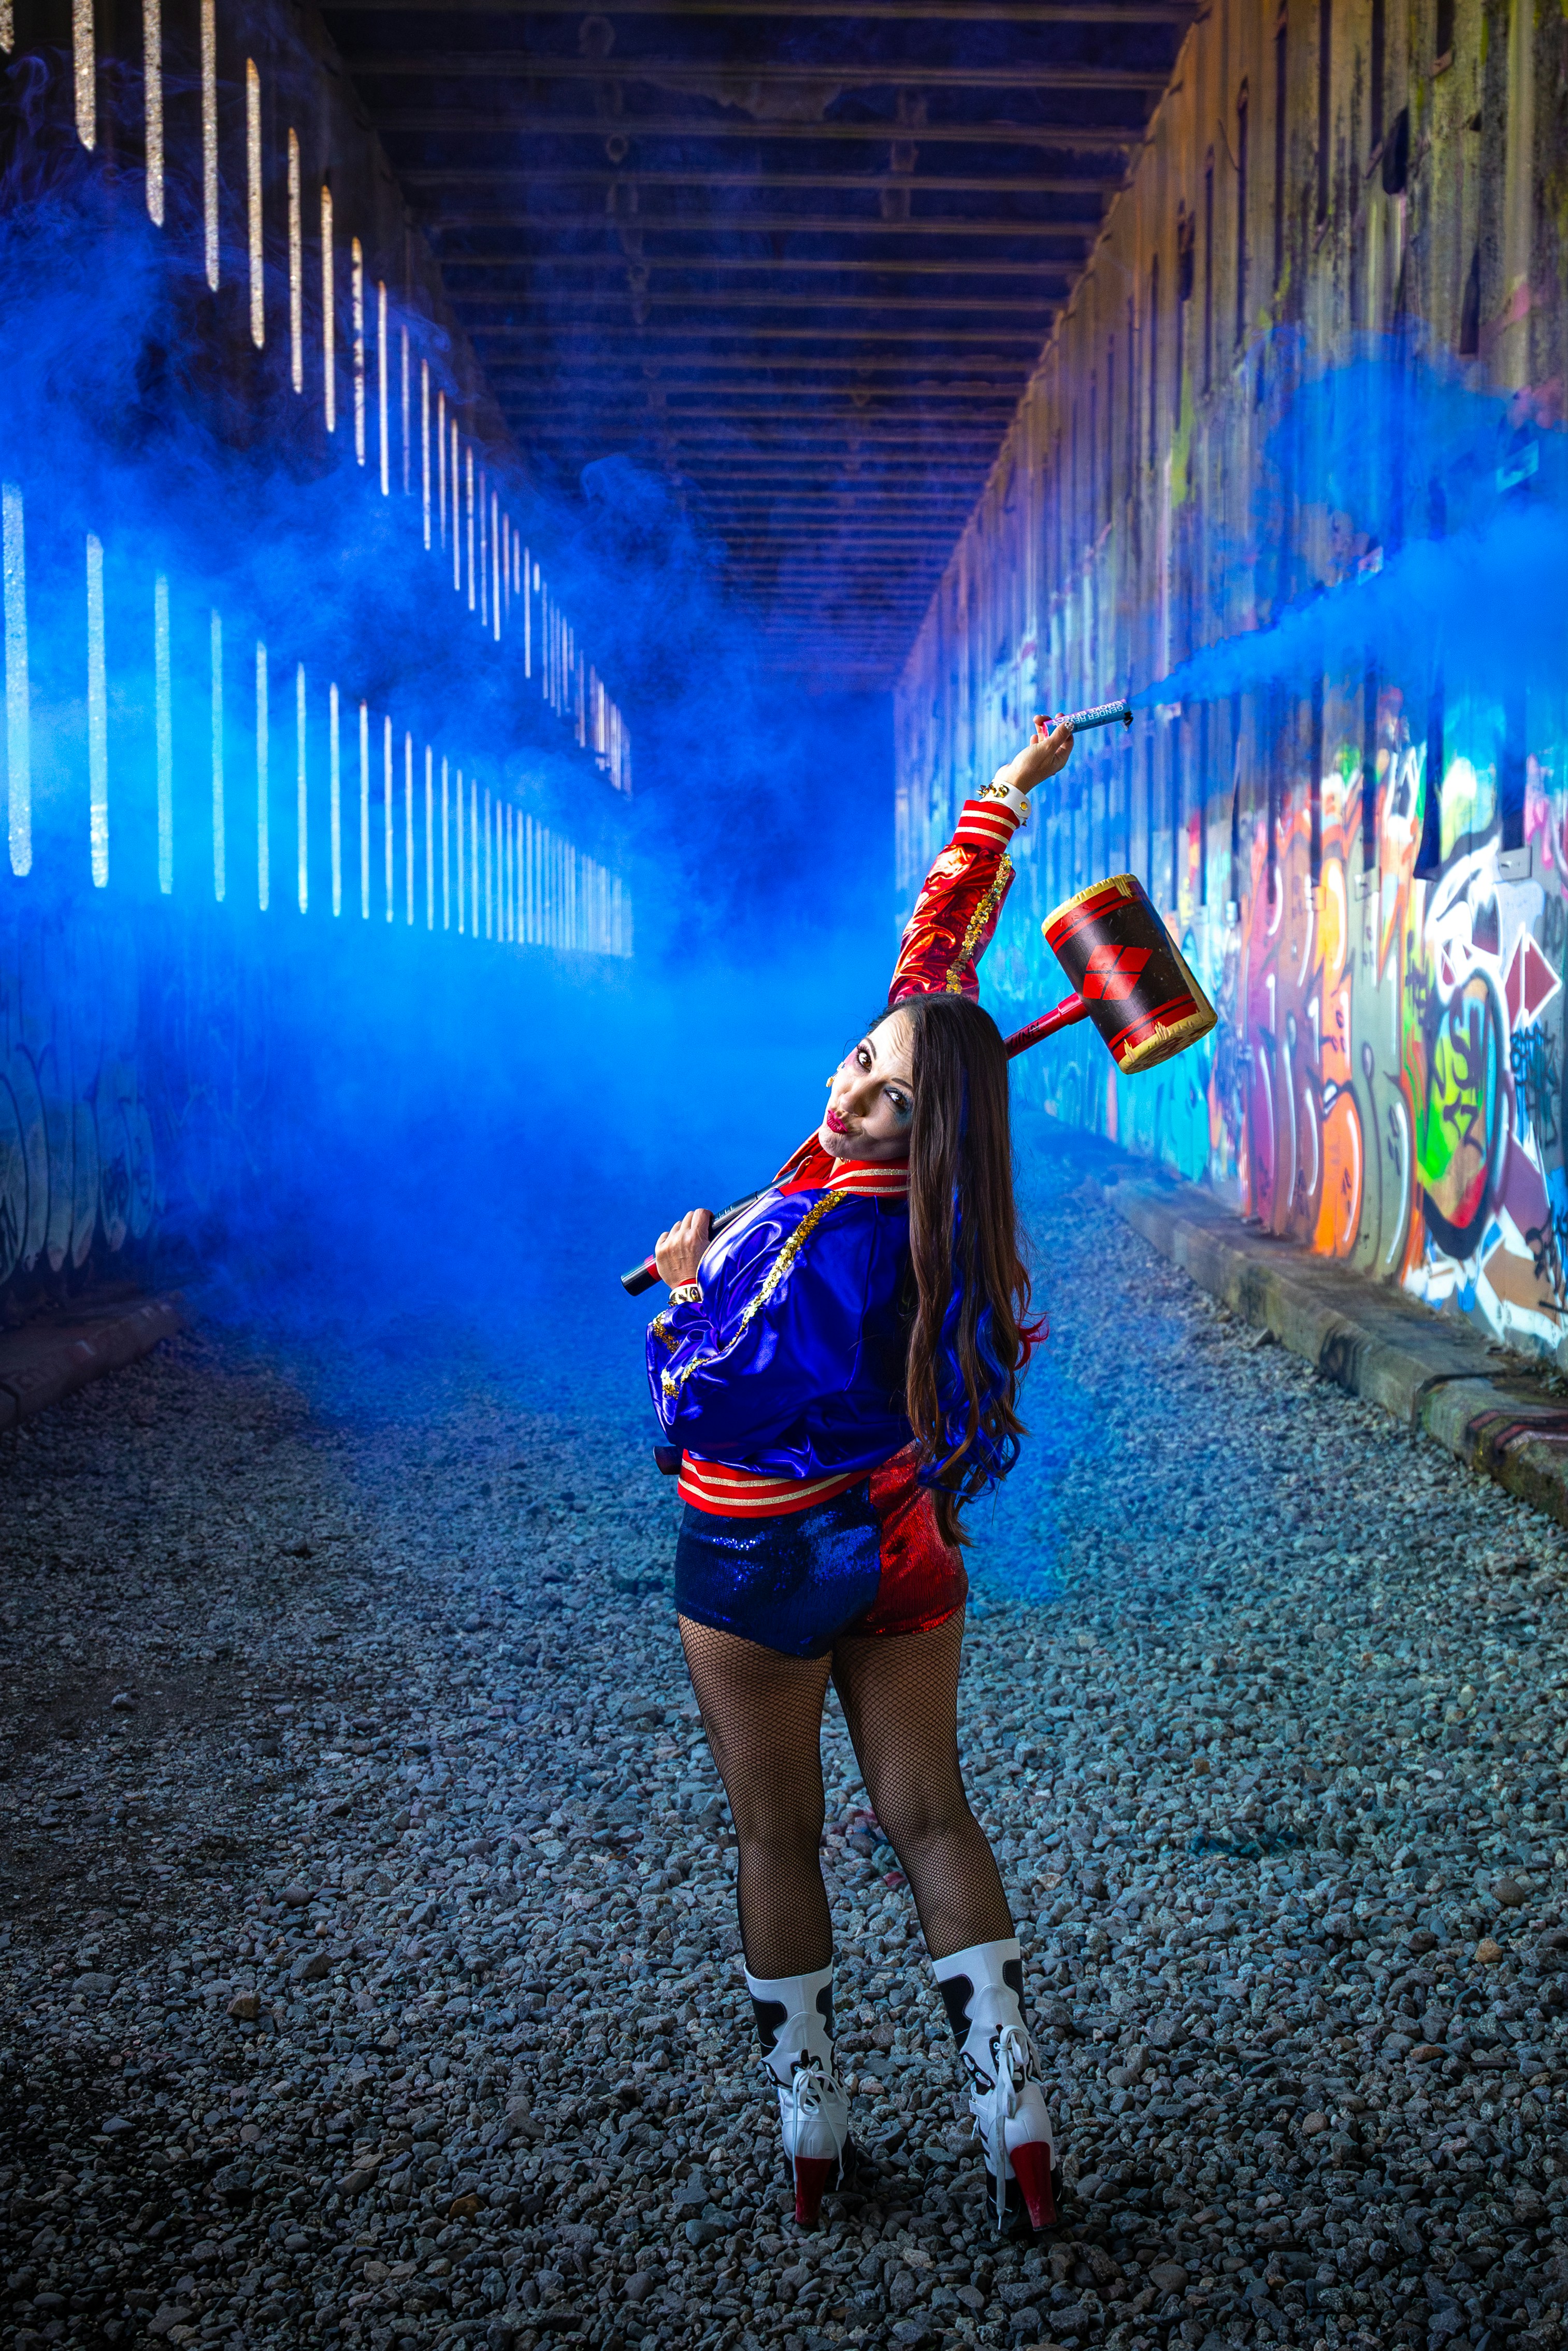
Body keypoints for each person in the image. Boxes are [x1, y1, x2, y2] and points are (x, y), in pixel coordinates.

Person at [644, 717, 1076, 2231]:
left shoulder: (826, 1248)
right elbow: (935, 953)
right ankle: (1016, 2127)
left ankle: (814, 2134)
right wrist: (1002, 806)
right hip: (901, 1546)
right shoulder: (942, 1215)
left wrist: (696, 1279)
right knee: (931, 1817)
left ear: (924, 1126)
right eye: (857, 1064)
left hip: (768, 1558)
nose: (849, 1094)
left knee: (778, 1833)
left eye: (885, 1095)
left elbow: (709, 1401)